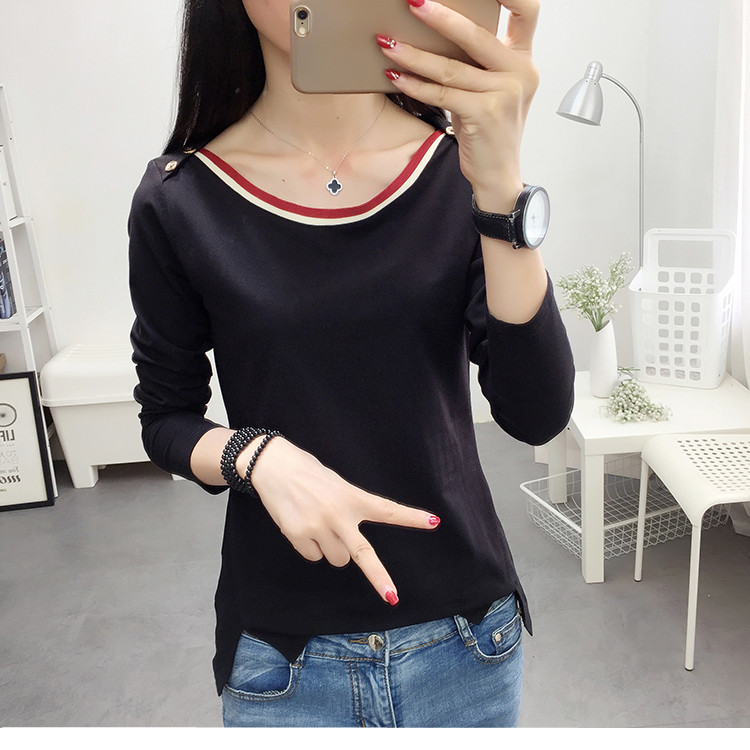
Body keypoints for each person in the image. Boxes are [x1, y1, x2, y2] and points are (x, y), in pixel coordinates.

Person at [128, 0, 574, 728]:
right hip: (283, 660)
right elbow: (166, 418)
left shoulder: (455, 172)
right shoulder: (180, 200)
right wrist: (255, 456)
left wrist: (500, 188)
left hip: (467, 640)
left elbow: (537, 412)